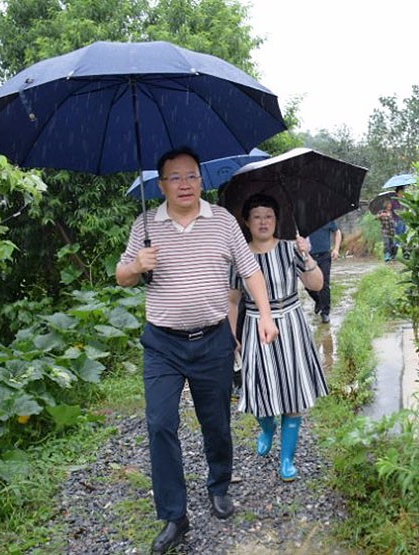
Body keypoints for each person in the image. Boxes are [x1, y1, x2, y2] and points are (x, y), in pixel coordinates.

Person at [116, 147, 279, 555]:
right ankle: (174, 515)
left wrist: (264, 314)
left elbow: (251, 270)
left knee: (215, 420)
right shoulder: (145, 224)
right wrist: (138, 264)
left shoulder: (223, 221)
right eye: (175, 177)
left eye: (191, 176)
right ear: (161, 185)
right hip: (162, 344)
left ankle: (219, 485)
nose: (184, 184)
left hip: (213, 339)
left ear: (202, 181)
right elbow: (122, 277)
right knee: (159, 424)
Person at [228, 193, 329, 482]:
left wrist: (306, 255)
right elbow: (233, 301)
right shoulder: (239, 257)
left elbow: (317, 285)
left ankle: (286, 459)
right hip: (256, 328)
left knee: (293, 392)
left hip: (292, 325)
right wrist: (231, 335)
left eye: (269, 216)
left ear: (276, 221)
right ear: (246, 221)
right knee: (259, 389)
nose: (263, 221)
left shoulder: (289, 249)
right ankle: (267, 427)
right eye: (257, 216)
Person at [306, 220, 341, 323]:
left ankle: (325, 313)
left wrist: (336, 249)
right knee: (308, 285)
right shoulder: (303, 219)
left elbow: (337, 232)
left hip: (324, 256)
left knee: (324, 284)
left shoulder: (326, 218)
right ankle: (318, 301)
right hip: (309, 257)